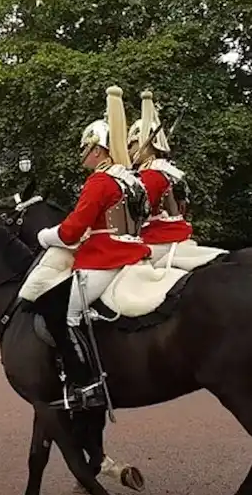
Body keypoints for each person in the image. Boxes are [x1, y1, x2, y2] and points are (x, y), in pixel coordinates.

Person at [36, 86, 151, 409]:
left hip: (105, 258)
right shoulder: (131, 179)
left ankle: (87, 384)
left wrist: (46, 236)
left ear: (98, 150)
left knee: (65, 314)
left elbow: (72, 230)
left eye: (86, 148)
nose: (82, 154)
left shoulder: (100, 181)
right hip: (133, 251)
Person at [128, 91, 223, 268]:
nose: (130, 151)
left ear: (145, 144)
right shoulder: (170, 172)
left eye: (132, 144)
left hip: (159, 237)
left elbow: (134, 214)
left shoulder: (150, 175)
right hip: (177, 233)